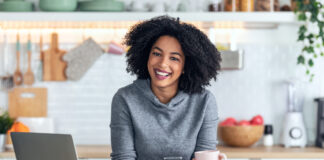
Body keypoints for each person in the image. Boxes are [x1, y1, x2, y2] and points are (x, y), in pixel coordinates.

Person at [110, 15, 222, 160]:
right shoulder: (125, 99)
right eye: (157, 54)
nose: (162, 64)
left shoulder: (205, 101)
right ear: (146, 56)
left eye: (174, 58)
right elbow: (123, 157)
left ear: (185, 66)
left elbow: (205, 155)